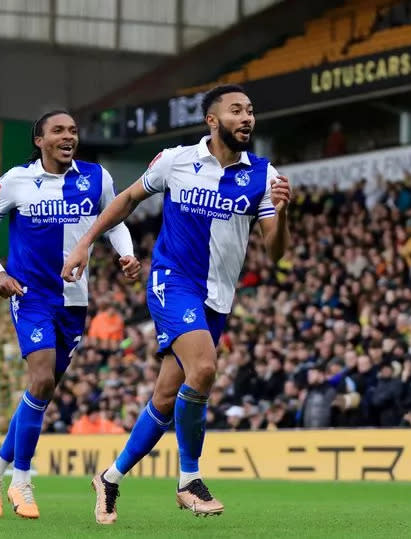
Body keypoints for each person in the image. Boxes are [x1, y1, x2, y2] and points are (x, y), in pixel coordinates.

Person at [62, 85, 292, 523]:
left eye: (251, 111)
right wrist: (85, 247)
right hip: (172, 281)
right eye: (237, 110)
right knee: (204, 368)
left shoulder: (263, 175)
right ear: (212, 120)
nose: (247, 118)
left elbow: (276, 251)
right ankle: (189, 480)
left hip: (218, 297)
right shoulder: (176, 160)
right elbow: (128, 199)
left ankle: (109, 478)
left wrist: (281, 212)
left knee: (167, 397)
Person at [0, 110, 140, 520]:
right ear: (39, 140)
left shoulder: (96, 178)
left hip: (74, 300)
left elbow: (113, 219)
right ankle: (21, 482)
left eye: (73, 131)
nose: (69, 137)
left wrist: (127, 252)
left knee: (41, 392)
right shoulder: (15, 181)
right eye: (59, 131)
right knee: (42, 378)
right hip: (30, 294)